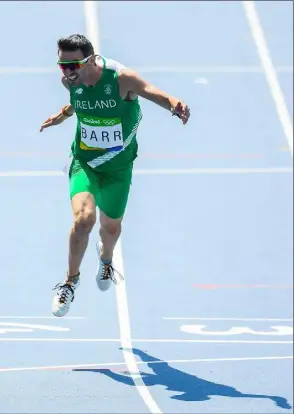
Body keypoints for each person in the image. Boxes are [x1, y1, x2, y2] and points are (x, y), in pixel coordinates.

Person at [40, 34, 190, 317]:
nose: (68, 72)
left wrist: (173, 103)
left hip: (118, 167)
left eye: (73, 65)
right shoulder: (69, 81)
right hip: (85, 162)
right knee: (84, 220)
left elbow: (151, 91)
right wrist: (63, 114)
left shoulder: (121, 79)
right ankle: (70, 282)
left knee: (110, 229)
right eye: (63, 66)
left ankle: (106, 259)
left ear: (92, 59)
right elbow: (79, 101)